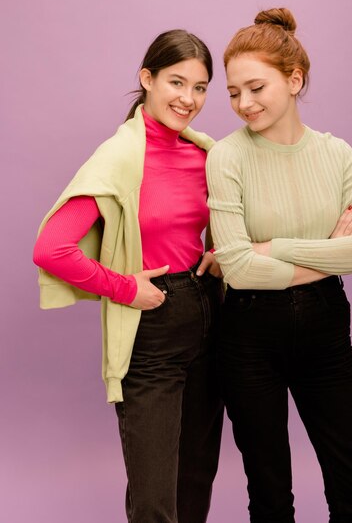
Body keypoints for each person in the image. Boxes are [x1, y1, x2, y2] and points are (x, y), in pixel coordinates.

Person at [33, 29, 224, 523]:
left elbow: (222, 221)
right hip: (153, 326)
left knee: (196, 479)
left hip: (209, 315)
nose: (188, 99)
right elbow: (51, 248)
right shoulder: (120, 157)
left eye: (200, 87)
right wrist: (124, 287)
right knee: (155, 498)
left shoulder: (206, 154)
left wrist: (223, 250)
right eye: (176, 82)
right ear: (147, 78)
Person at [206, 8, 352, 523]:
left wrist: (269, 247)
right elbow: (236, 269)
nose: (244, 103)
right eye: (234, 92)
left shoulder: (337, 153)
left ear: (294, 79)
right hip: (248, 334)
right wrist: (324, 253)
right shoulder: (227, 157)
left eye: (256, 87)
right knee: (271, 493)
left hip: (326, 329)